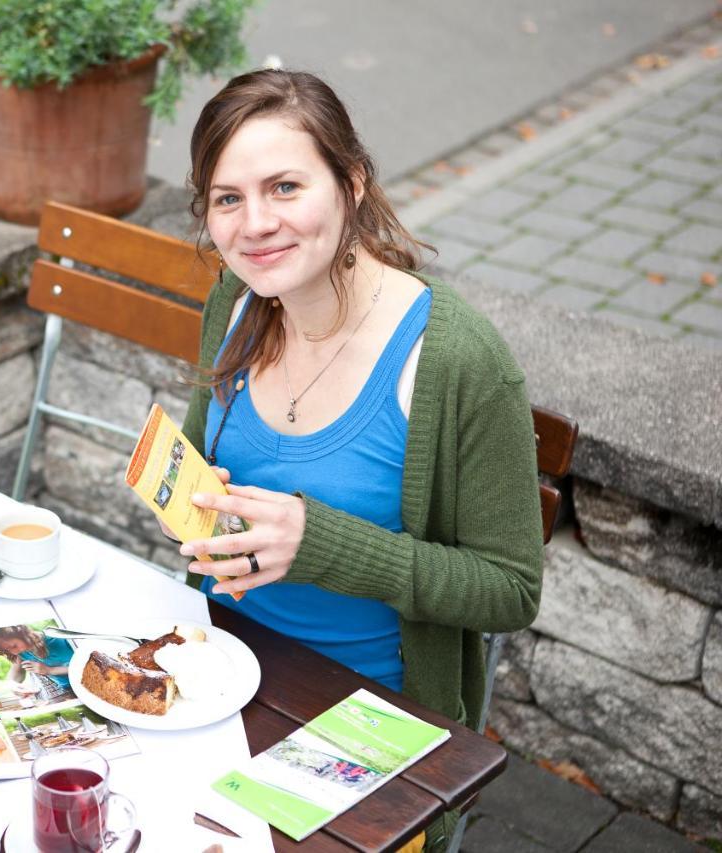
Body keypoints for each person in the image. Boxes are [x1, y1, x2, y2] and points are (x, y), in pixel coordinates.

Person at [172, 71, 543, 850]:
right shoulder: (234, 303)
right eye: (227, 197)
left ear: (352, 182)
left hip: (371, 717)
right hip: (218, 668)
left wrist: (322, 545)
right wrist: (179, 487)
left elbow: (509, 590)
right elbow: (219, 476)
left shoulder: (456, 361)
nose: (256, 223)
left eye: (284, 186)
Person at [0, 625, 73, 691]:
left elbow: (85, 666)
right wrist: (13, 685)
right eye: (6, 651)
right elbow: (17, 672)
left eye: (13, 646)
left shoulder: (59, 638)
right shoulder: (21, 652)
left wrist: (50, 670)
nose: (14, 652)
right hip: (67, 689)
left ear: (21, 632)